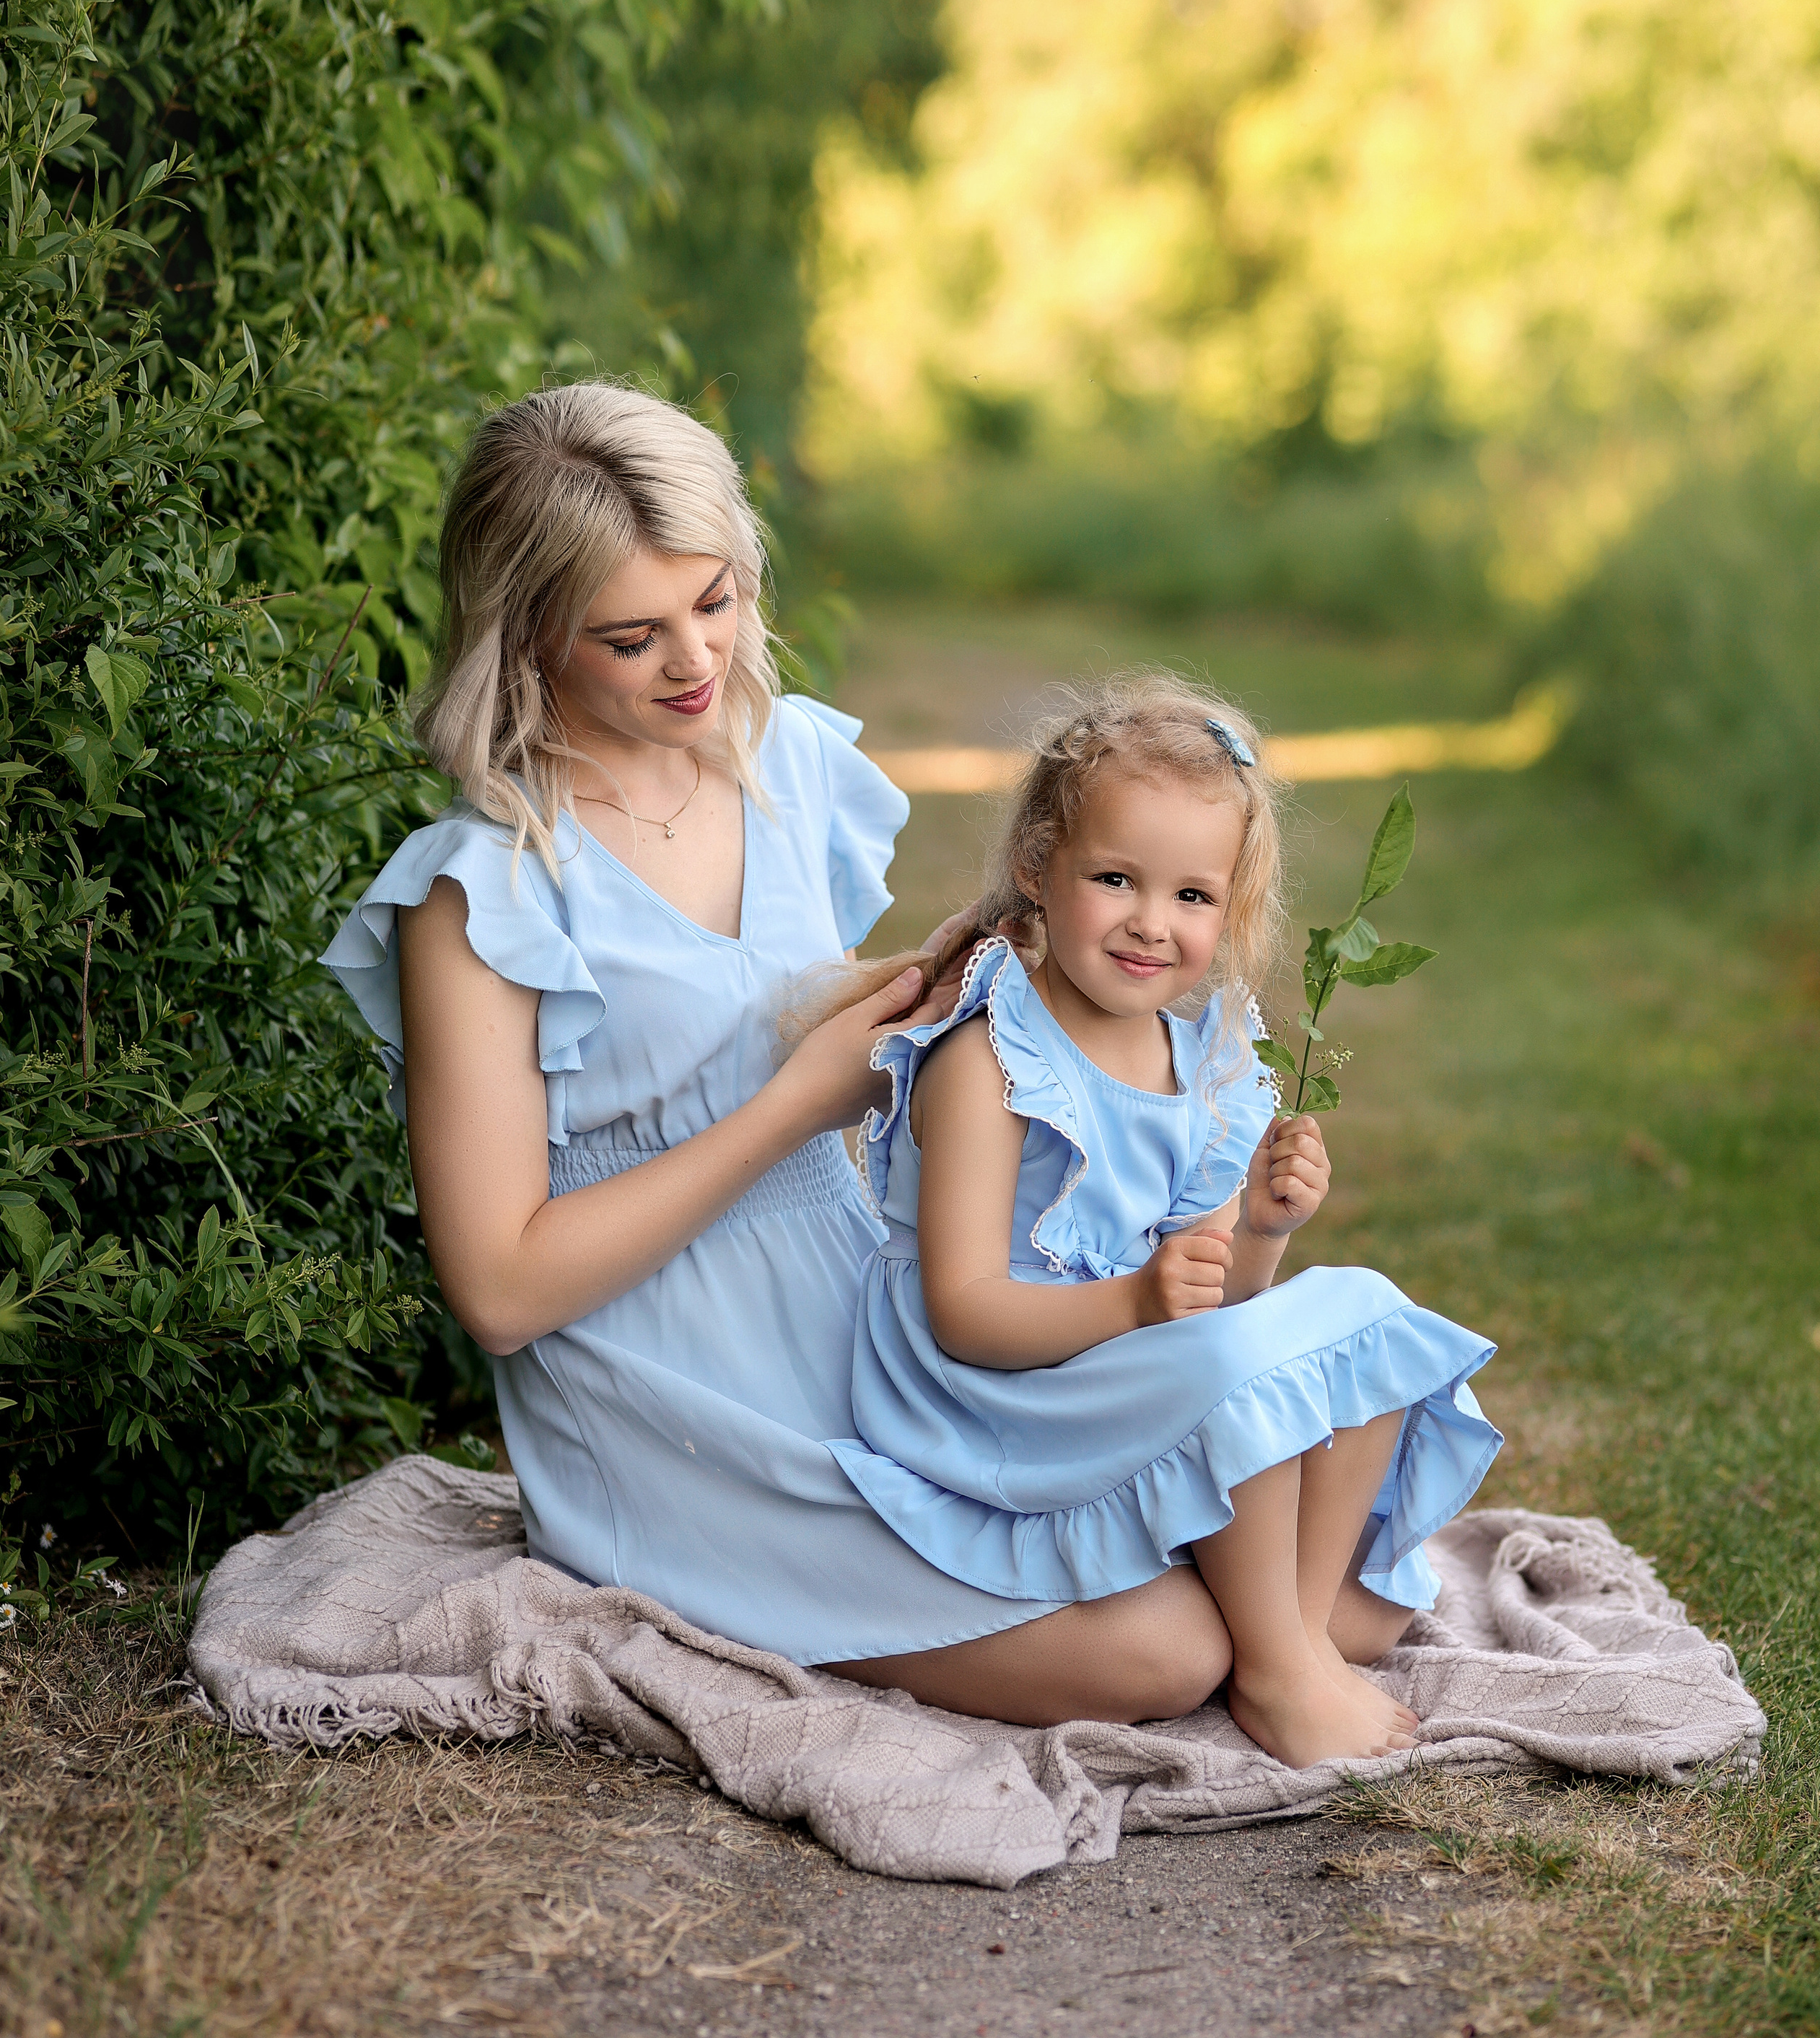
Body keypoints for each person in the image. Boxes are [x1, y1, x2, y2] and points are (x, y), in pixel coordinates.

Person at [323, 382, 1251, 1732]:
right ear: (527, 637)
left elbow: (784, 1022)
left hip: (865, 1312)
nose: (697, 658)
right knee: (1164, 1652)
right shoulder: (487, 899)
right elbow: (504, 1288)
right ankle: (773, 1578)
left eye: (717, 599)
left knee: (1257, 1543)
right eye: (632, 635)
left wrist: (917, 993)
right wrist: (796, 1101)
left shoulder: (785, 764)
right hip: (673, 1394)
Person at [814, 674, 1502, 1766]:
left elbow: (1222, 1308)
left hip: (1130, 1374)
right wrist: (1136, 1298)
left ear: (1230, 909)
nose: (1150, 922)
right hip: (993, 1394)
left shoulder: (1207, 1069)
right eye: (1116, 878)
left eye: (1191, 896)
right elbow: (962, 1311)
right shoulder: (991, 1059)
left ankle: (1293, 1628)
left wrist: (1266, 1230)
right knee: (1242, 1389)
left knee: (1365, 1313)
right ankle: (1278, 1669)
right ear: (1041, 865)